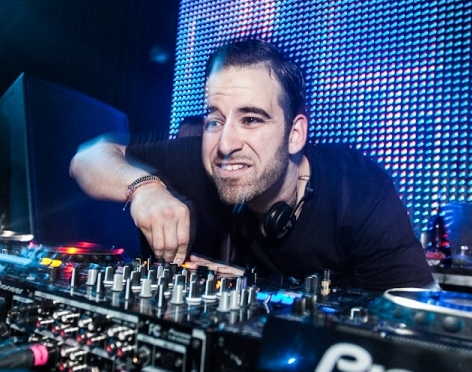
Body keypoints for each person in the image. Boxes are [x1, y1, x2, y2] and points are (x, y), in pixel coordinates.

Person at [70, 38, 434, 291]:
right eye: (215, 119)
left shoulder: (359, 193)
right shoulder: (205, 158)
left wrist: (260, 290)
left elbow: (417, 322)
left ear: (295, 134)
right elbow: (88, 157)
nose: (226, 144)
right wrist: (144, 189)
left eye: (251, 119)